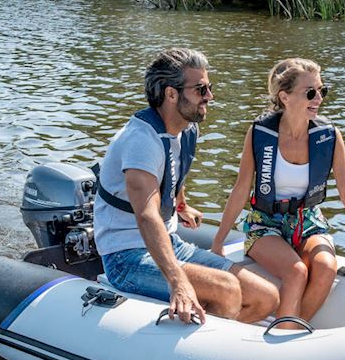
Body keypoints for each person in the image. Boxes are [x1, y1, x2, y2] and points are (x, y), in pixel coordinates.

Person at [211, 58, 345, 329]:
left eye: (322, 91)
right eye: (310, 92)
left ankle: (289, 330)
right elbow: (241, 188)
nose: (319, 99)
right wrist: (218, 242)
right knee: (296, 272)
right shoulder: (260, 133)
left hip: (309, 221)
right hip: (265, 223)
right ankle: (281, 340)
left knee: (325, 267)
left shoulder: (329, 136)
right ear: (285, 97)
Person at [93, 48, 279, 326]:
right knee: (226, 289)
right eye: (201, 89)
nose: (209, 96)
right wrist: (177, 281)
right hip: (126, 255)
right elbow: (147, 214)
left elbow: (172, 171)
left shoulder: (187, 129)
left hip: (171, 243)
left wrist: (180, 203)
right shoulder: (140, 142)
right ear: (171, 94)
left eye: (209, 87)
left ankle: (222, 341)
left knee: (267, 297)